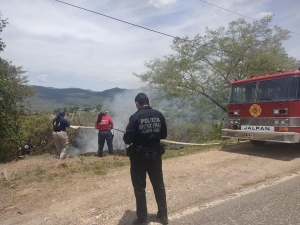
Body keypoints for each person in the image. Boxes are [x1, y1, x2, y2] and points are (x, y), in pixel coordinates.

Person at [123, 93, 168, 225]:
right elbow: (164, 134)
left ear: (137, 104)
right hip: (155, 155)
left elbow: (127, 139)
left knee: (140, 188)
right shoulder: (159, 115)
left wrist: (128, 129)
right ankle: (163, 216)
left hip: (139, 157)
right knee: (159, 186)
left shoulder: (134, 117)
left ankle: (142, 219)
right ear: (148, 101)